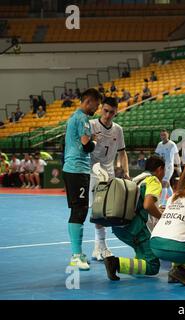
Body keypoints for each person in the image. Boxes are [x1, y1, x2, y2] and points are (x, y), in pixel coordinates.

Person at [103, 155, 165, 281]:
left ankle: (131, 265)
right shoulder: (153, 180)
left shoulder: (136, 179)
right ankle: (115, 263)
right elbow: (147, 205)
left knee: (143, 257)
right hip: (137, 230)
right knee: (153, 266)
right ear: (159, 169)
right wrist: (162, 217)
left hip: (119, 227)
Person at [62, 88, 102, 270]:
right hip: (77, 169)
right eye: (97, 104)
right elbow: (86, 147)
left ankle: (77, 253)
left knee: (80, 209)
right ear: (88, 101)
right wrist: (95, 141)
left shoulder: (75, 118)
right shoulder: (82, 119)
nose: (98, 108)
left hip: (76, 170)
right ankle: (76, 255)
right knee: (79, 210)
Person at [89, 97, 129, 261]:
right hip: (92, 172)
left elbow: (122, 152)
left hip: (109, 173)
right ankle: (103, 246)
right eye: (105, 111)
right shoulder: (91, 125)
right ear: (100, 109)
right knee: (98, 211)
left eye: (112, 112)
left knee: (107, 211)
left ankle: (98, 247)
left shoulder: (118, 129)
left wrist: (125, 171)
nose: (108, 115)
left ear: (115, 112)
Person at [155, 129, 179, 207]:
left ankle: (162, 203)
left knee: (164, 183)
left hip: (169, 167)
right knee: (167, 184)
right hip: (162, 167)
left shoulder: (172, 144)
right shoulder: (159, 144)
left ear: (168, 135)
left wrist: (179, 167)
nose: (163, 137)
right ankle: (174, 199)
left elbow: (176, 156)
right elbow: (157, 155)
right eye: (161, 135)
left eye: (164, 135)